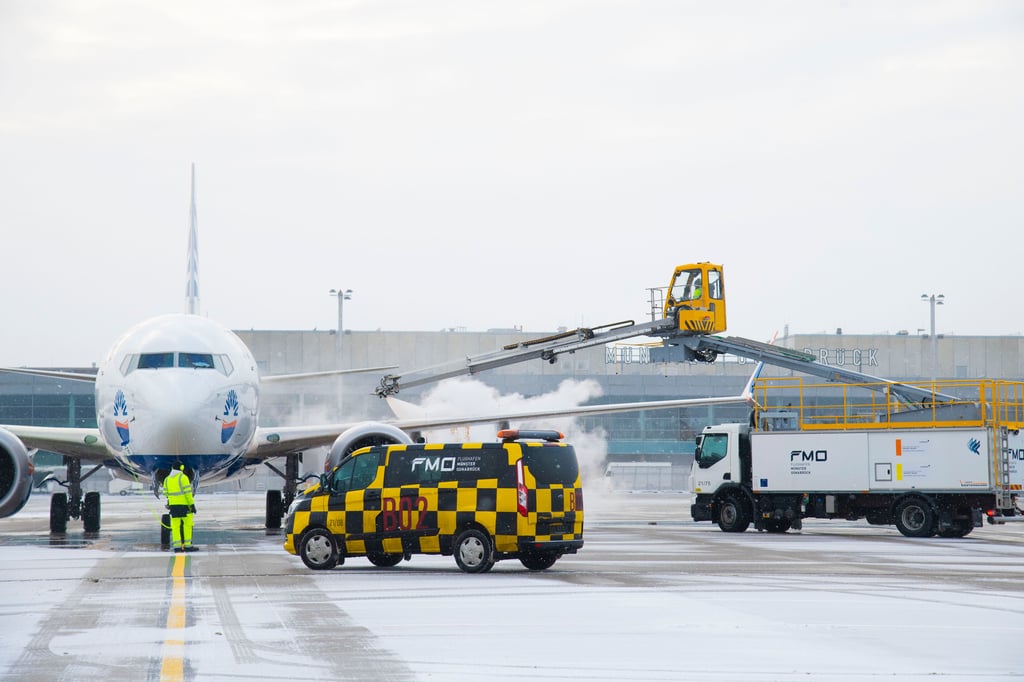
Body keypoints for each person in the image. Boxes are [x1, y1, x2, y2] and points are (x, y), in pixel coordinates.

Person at [164, 463, 197, 552]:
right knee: (187, 526)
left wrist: (170, 502)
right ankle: (187, 546)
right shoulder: (183, 478)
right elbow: (188, 493)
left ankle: (177, 547)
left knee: (175, 527)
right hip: (184, 506)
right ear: (182, 468)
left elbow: (166, 493)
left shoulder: (167, 479)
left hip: (173, 507)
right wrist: (192, 505)